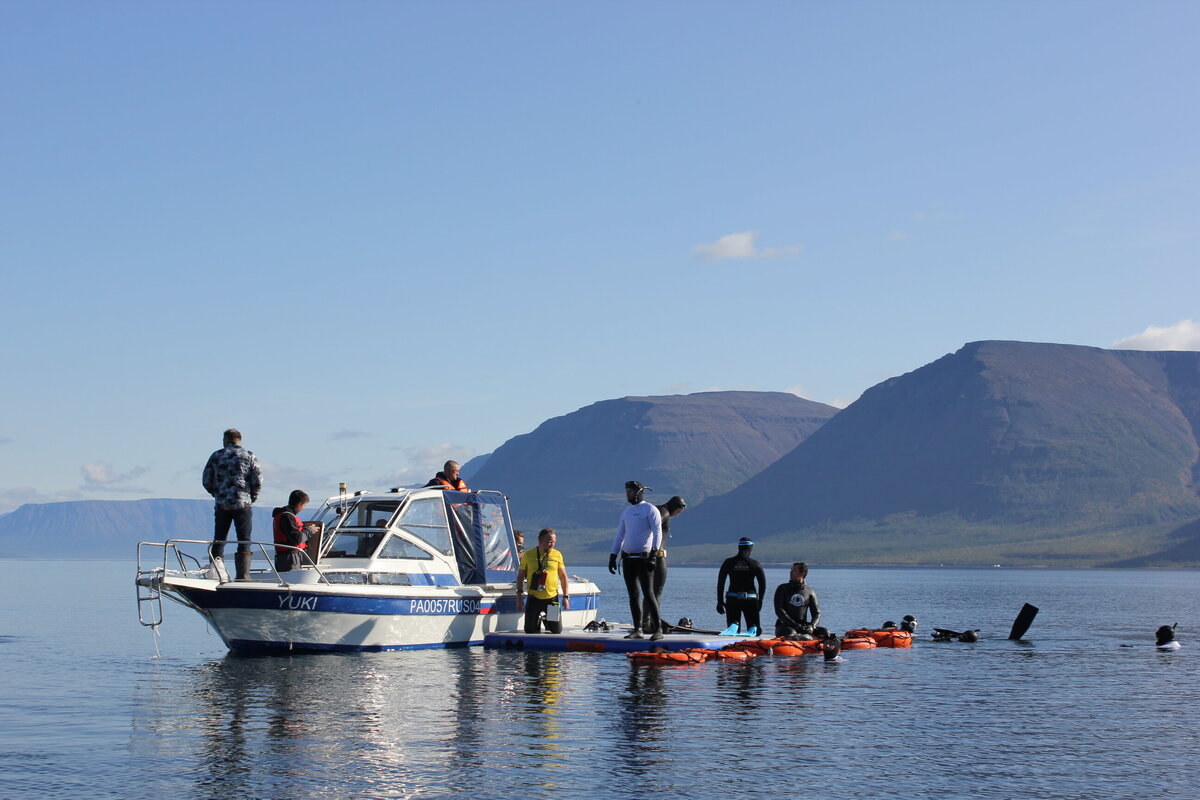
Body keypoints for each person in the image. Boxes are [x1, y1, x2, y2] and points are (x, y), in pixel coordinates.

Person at [201, 428, 263, 581]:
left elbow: (206, 480)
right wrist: (252, 496)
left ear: (225, 440)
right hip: (243, 503)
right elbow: (258, 480)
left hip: (222, 504)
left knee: (219, 539)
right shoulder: (249, 456)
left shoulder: (216, 456)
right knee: (244, 539)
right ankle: (243, 576)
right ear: (239, 440)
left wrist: (217, 493)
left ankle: (216, 574)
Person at [608, 481, 664, 640]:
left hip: (644, 558)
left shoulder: (650, 509)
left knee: (648, 593)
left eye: (630, 492)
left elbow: (657, 532)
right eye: (626, 491)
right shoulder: (627, 512)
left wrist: (654, 554)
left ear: (639, 492)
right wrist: (613, 555)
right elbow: (619, 535)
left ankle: (658, 628)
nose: (628, 494)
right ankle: (637, 629)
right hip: (628, 558)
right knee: (633, 594)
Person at [516, 528, 570, 634]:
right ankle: (537, 621)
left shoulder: (557, 555)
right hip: (534, 597)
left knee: (556, 630)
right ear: (540, 541)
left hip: (552, 598)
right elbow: (520, 576)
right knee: (529, 630)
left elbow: (563, 577)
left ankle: (547, 621)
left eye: (554, 542)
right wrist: (519, 597)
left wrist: (565, 597)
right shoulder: (528, 555)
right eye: (549, 542)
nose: (552, 545)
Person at [645, 495, 686, 629]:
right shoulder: (664, 512)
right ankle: (652, 622)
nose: (678, 514)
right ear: (677, 507)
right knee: (656, 590)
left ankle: (647, 620)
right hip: (657, 556)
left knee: (649, 591)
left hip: (648, 555)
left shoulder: (656, 510)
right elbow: (653, 527)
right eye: (679, 511)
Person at [716, 537, 766, 634]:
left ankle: (734, 626)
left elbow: (721, 583)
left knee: (733, 625)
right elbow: (762, 584)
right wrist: (760, 601)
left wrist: (720, 602)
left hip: (732, 599)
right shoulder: (755, 564)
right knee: (754, 627)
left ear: (739, 547)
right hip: (751, 600)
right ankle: (752, 629)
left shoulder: (728, 562)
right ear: (750, 548)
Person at [773, 561, 820, 638]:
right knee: (791, 633)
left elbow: (816, 613)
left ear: (802, 573)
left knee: (825, 632)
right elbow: (779, 610)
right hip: (784, 626)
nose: (790, 572)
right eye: (791, 570)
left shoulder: (810, 592)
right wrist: (795, 625)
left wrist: (812, 626)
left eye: (794, 571)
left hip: (802, 627)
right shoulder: (782, 588)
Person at [272, 490, 310, 573]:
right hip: (290, 558)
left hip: (284, 557)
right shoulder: (288, 517)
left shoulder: (282, 515)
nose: (303, 508)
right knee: (292, 581)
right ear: (299, 504)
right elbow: (296, 538)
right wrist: (309, 531)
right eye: (304, 505)